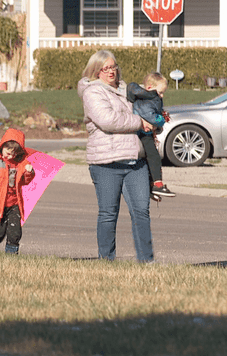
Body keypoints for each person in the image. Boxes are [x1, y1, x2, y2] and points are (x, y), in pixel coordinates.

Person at [77, 50, 156, 263]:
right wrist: (139, 122)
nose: (111, 71)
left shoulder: (127, 89)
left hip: (135, 160)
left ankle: (146, 261)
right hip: (106, 162)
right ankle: (106, 260)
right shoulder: (92, 92)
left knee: (141, 212)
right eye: (106, 68)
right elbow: (107, 120)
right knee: (108, 213)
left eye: (113, 67)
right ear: (96, 71)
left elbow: (145, 110)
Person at [0, 128, 35, 255]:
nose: (8, 156)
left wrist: (29, 172)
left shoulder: (21, 163)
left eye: (12, 154)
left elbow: (25, 181)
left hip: (13, 204)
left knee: (15, 232)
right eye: (7, 151)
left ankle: (11, 255)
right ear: (2, 145)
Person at [127, 72, 175, 201]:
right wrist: (160, 120)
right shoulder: (147, 99)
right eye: (160, 92)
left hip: (146, 132)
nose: (161, 95)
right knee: (153, 157)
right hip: (143, 133)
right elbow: (149, 116)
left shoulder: (149, 98)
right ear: (149, 88)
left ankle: (150, 185)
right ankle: (157, 184)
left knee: (148, 159)